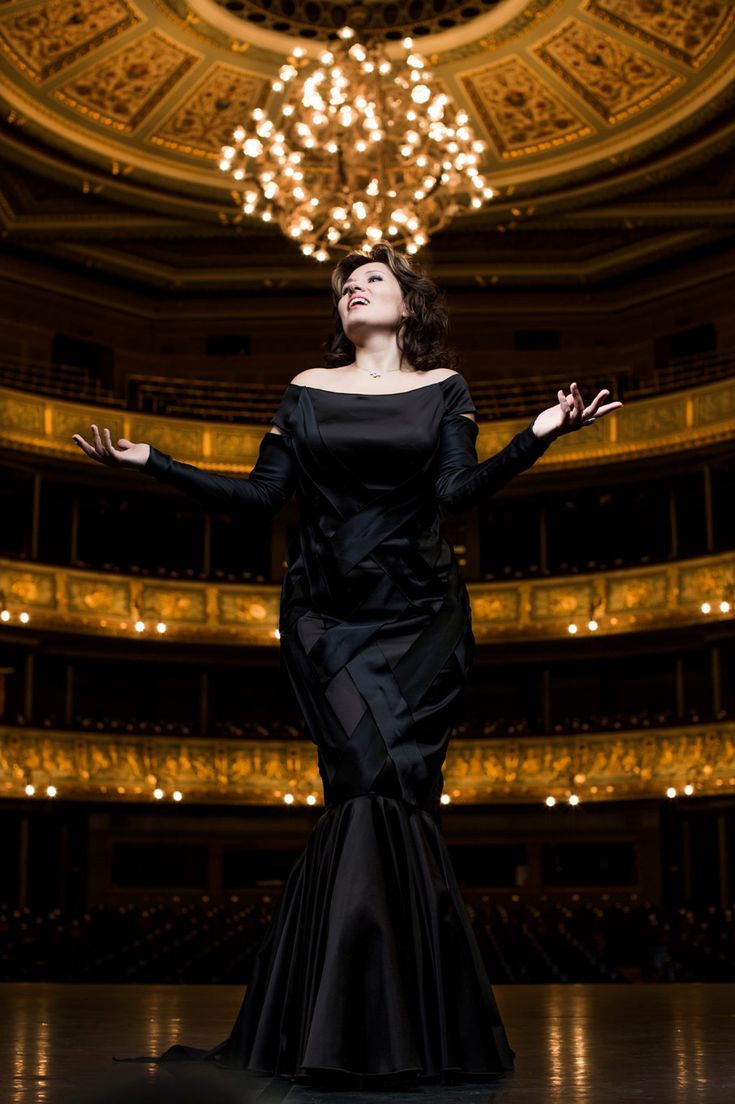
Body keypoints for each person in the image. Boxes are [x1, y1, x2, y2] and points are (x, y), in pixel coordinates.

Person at [72, 242, 623, 1089]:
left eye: (371, 279)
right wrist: (155, 464)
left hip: (421, 619)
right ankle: (350, 1024)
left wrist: (541, 434)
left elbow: (456, 494)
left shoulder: (447, 390)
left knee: (394, 796)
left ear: (409, 304)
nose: (352, 291)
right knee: (360, 783)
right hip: (326, 620)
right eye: (342, 288)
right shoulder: (303, 391)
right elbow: (262, 497)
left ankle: (391, 1027)